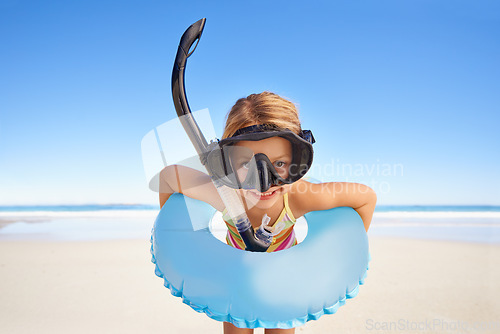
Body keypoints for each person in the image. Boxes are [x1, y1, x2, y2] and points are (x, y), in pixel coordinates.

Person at [159, 91, 377, 334]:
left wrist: (343, 250)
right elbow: (168, 177)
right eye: (246, 164)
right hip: (235, 280)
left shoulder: (299, 196)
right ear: (226, 163)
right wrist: (174, 237)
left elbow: (365, 198)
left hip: (283, 285)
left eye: (279, 164)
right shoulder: (223, 193)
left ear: (298, 159)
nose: (264, 182)